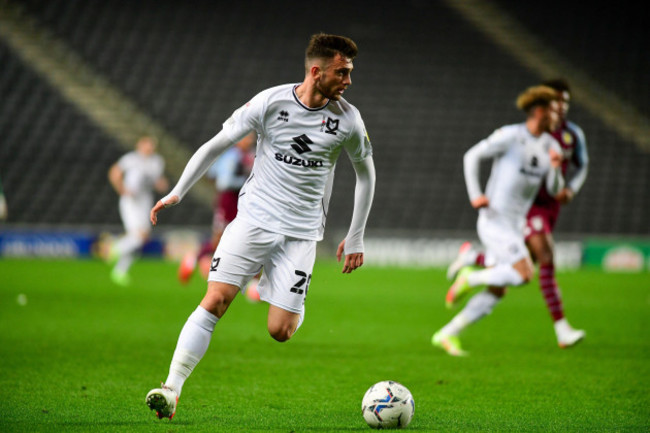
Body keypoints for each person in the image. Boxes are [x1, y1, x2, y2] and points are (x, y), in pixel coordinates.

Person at [145, 33, 375, 420]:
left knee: (280, 330)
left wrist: (355, 237)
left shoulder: (348, 120)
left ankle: (285, 293)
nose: (348, 81)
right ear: (316, 71)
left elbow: (366, 176)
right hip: (252, 221)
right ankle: (171, 389)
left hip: (301, 234)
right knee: (216, 299)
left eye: (350, 73)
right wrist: (178, 192)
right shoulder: (270, 102)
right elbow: (217, 144)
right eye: (342, 72)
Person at [446, 78, 588, 349]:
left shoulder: (552, 146)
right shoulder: (511, 135)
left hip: (515, 224)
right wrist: (476, 194)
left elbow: (553, 188)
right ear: (539, 111)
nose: (559, 116)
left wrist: (557, 169)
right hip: (494, 220)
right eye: (554, 110)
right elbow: (471, 156)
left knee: (501, 285)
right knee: (524, 273)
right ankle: (470, 276)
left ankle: (450, 328)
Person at [177, 132, 256, 284]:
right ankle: (194, 258)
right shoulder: (232, 156)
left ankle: (251, 277)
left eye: (251, 138)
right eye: (247, 137)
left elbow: (213, 173)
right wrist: (247, 182)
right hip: (229, 199)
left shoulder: (248, 155)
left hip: (243, 200)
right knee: (219, 237)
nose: (250, 140)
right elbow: (224, 182)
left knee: (244, 235)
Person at [107, 136, 168, 285]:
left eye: (152, 145)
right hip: (131, 202)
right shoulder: (131, 159)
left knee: (142, 239)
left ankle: (119, 271)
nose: (150, 148)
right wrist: (122, 189)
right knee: (138, 237)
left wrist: (161, 184)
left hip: (145, 201)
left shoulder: (157, 162)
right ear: (140, 145)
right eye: (147, 144)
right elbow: (114, 172)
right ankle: (113, 249)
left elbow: (156, 180)